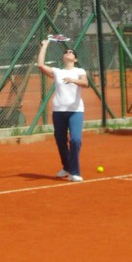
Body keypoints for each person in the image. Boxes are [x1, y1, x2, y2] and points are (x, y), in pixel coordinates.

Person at [37, 39, 89, 182]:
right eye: (66, 52)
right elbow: (40, 65)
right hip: (58, 111)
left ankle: (74, 172)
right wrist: (45, 46)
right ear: (63, 57)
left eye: (71, 52)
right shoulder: (58, 72)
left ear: (75, 59)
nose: (68, 53)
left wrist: (73, 80)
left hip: (75, 111)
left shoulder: (79, 71)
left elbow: (85, 83)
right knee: (60, 141)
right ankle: (67, 167)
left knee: (75, 140)